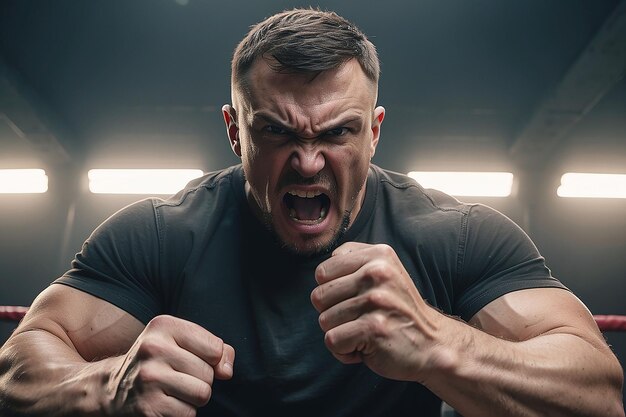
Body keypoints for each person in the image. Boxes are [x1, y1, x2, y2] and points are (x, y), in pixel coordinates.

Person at [0, 8, 623, 417]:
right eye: (277, 133)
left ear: (374, 132)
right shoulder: (163, 235)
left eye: (337, 133)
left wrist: (439, 346)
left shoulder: (452, 238)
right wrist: (105, 389)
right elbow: (19, 367)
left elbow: (598, 390)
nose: (306, 162)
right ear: (235, 131)